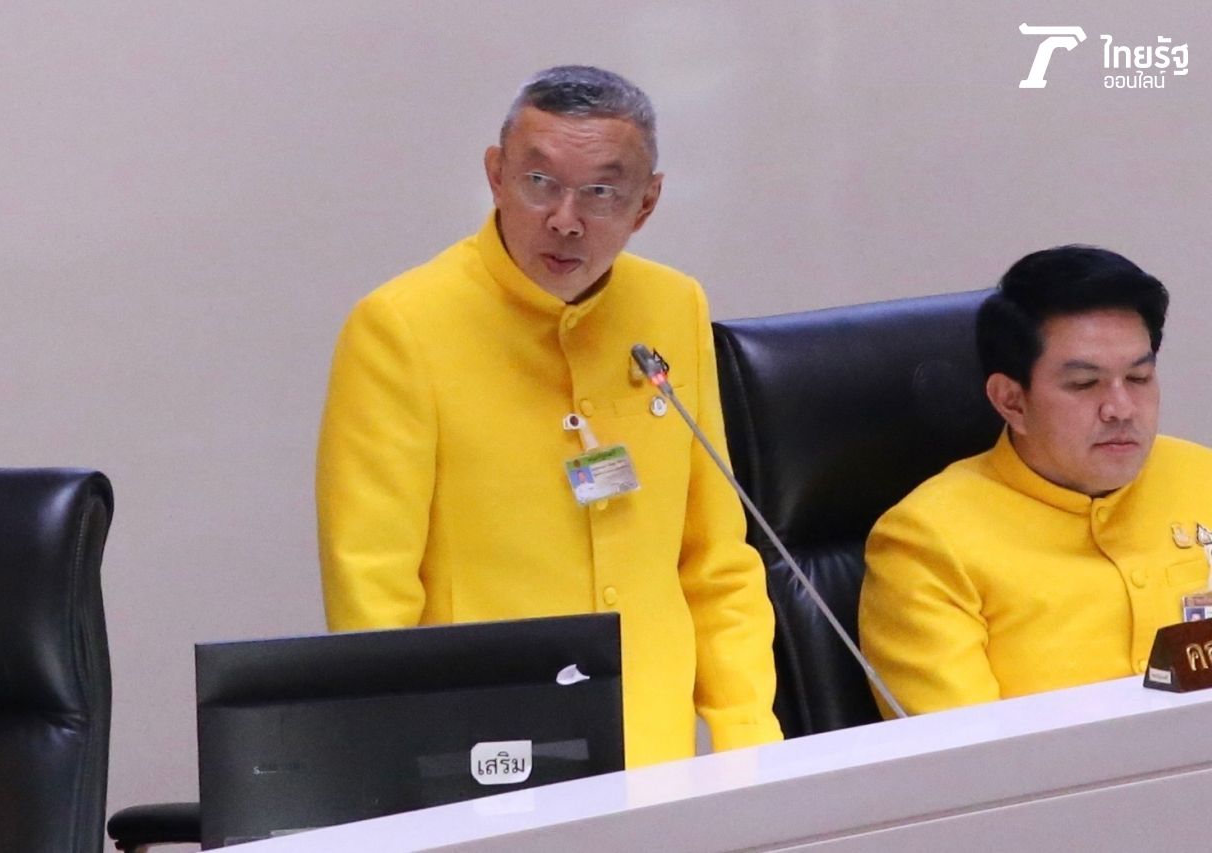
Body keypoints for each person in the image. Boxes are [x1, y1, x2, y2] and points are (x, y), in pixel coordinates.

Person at [316, 65, 781, 766]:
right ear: (495, 176)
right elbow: (371, 591)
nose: (565, 219)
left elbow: (714, 557)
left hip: (652, 748)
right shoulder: (401, 327)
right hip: (482, 748)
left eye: (601, 192)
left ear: (646, 204)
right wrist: (409, 773)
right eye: (539, 183)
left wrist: (751, 744)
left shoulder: (672, 306)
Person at [859, 245, 1212, 717]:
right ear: (1011, 401)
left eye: (1139, 377)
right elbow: (966, 752)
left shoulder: (1201, 475)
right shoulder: (927, 542)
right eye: (1084, 384)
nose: (1121, 408)